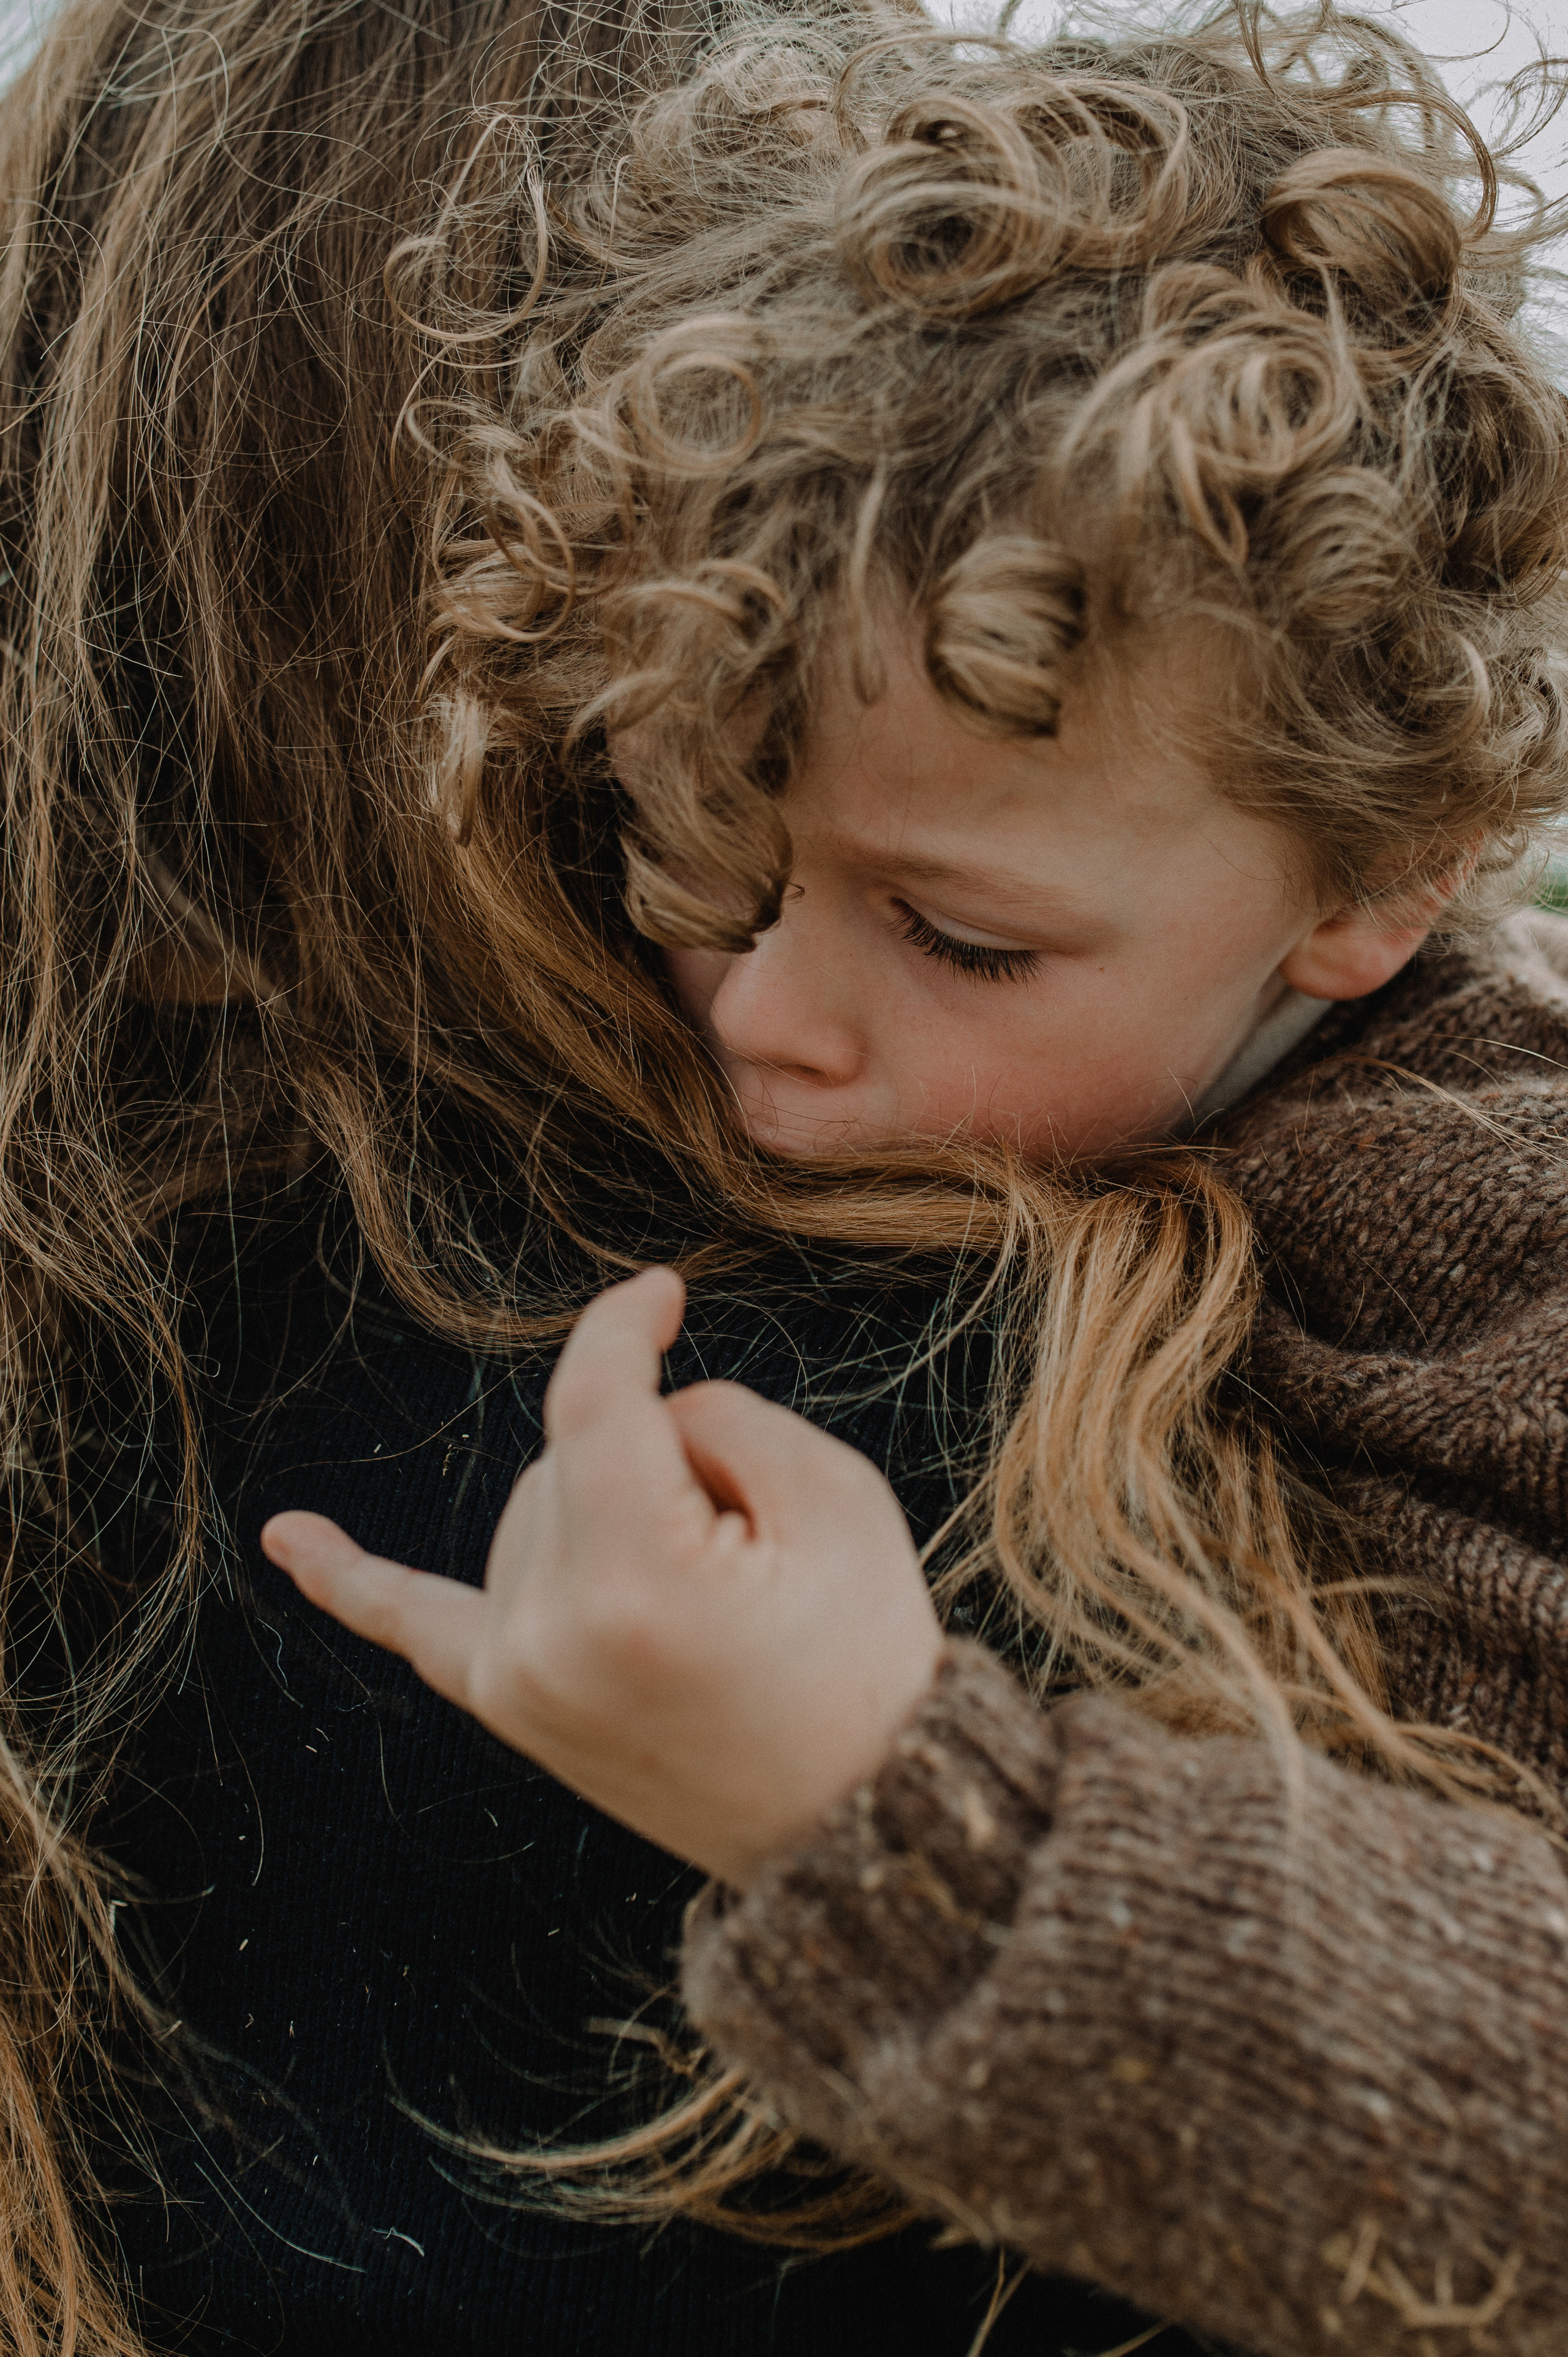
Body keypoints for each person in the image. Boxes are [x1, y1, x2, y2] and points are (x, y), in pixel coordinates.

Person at [250, 7, 1568, 2355]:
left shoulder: (1499, 1238)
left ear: (1378, 877)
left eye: (960, 937)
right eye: (694, 856)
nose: (765, 1014)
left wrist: (884, 1811)